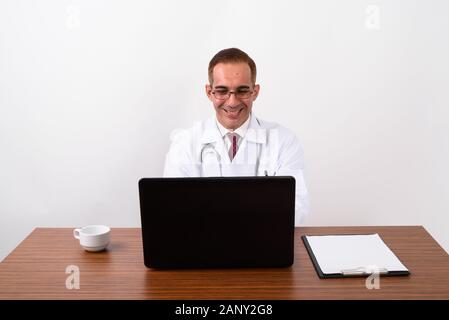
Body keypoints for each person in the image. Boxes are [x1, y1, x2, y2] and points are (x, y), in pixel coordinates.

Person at [163, 48, 309, 223]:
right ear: (209, 92)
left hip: (264, 243)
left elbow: (296, 209)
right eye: (222, 91)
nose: (232, 102)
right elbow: (173, 209)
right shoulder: (185, 143)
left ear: (255, 92)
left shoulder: (284, 141)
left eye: (242, 90)